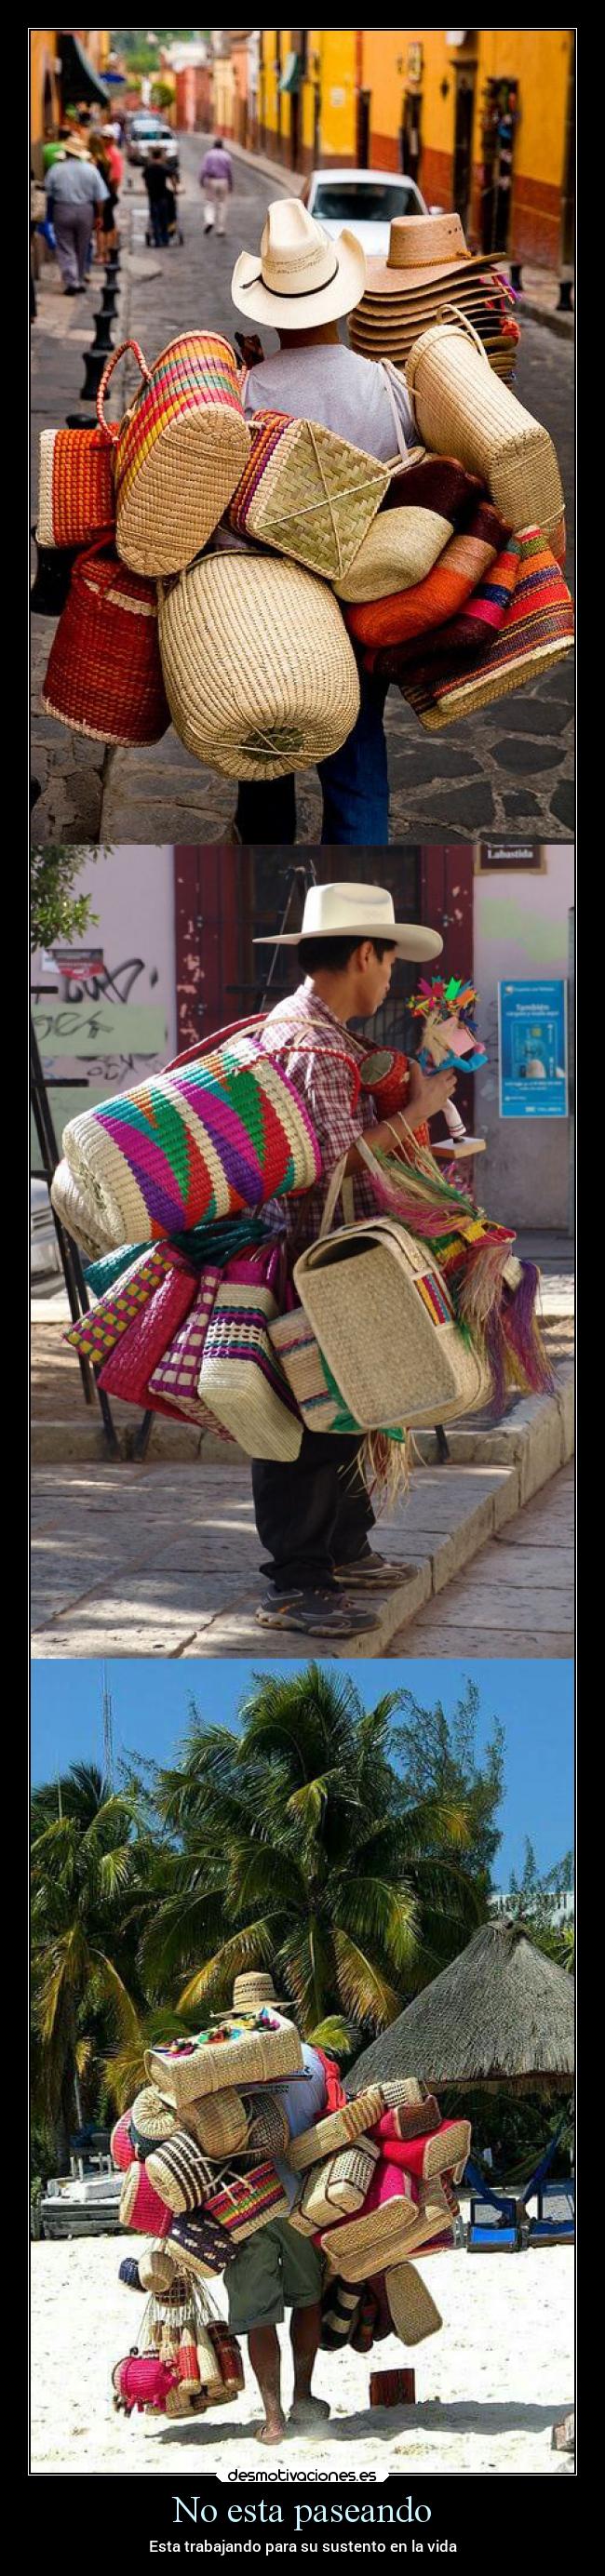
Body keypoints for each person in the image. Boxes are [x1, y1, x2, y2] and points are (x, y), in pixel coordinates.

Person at [251, 881, 456, 1637]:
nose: (391, 979)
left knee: (347, 1402)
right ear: (365, 953)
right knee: (311, 1418)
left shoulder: (315, 1031)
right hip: (313, 1257)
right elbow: (334, 1162)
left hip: (325, 1254)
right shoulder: (315, 1044)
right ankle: (296, 1581)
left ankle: (343, 1547)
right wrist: (417, 1114)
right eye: (390, 964)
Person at [229, 199, 417, 848]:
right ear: (339, 300)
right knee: (358, 756)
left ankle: (263, 865)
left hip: (269, 611)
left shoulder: (246, 392)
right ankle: (358, 882)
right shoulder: (387, 386)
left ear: (269, 308)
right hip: (362, 600)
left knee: (266, 748)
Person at [224, 1972, 330, 2445]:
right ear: (278, 2013)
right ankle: (302, 2398)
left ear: (239, 2018)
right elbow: (332, 2120)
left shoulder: (223, 2063)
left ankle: (273, 2419)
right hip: (304, 2197)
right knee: (307, 2297)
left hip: (245, 2201)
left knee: (258, 2312)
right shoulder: (312, 2060)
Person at [46, 137, 109, 294]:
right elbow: (100, 197)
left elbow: (48, 192)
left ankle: (71, 281)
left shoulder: (56, 169)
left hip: (62, 209)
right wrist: (99, 216)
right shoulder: (91, 169)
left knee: (65, 246)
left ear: (66, 153)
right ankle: (79, 279)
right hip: (85, 210)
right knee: (83, 246)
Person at [199, 134, 233, 235]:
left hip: (211, 180)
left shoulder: (208, 155)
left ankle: (210, 221)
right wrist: (231, 184)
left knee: (209, 203)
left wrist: (201, 180)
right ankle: (221, 228)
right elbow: (229, 172)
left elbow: (204, 169)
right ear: (222, 145)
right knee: (222, 204)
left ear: (214, 145)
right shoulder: (226, 155)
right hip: (223, 181)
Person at [143, 146, 173, 249]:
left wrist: (148, 187)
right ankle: (165, 239)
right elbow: (172, 177)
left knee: (155, 219)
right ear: (160, 156)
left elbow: (145, 179)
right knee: (164, 218)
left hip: (152, 196)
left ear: (152, 156)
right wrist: (175, 188)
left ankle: (157, 240)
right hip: (162, 196)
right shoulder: (164, 167)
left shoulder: (149, 167)